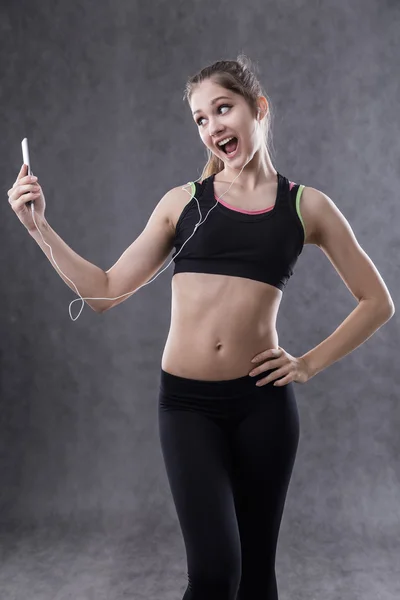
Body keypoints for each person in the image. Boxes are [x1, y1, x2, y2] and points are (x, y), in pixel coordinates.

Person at [7, 55, 394, 599]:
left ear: (259, 109)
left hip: (264, 406)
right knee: (215, 574)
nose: (211, 127)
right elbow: (103, 291)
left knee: (257, 579)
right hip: (188, 408)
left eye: (222, 109)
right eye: (199, 119)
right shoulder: (184, 204)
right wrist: (38, 226)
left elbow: (377, 302)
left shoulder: (307, 207)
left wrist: (307, 363)